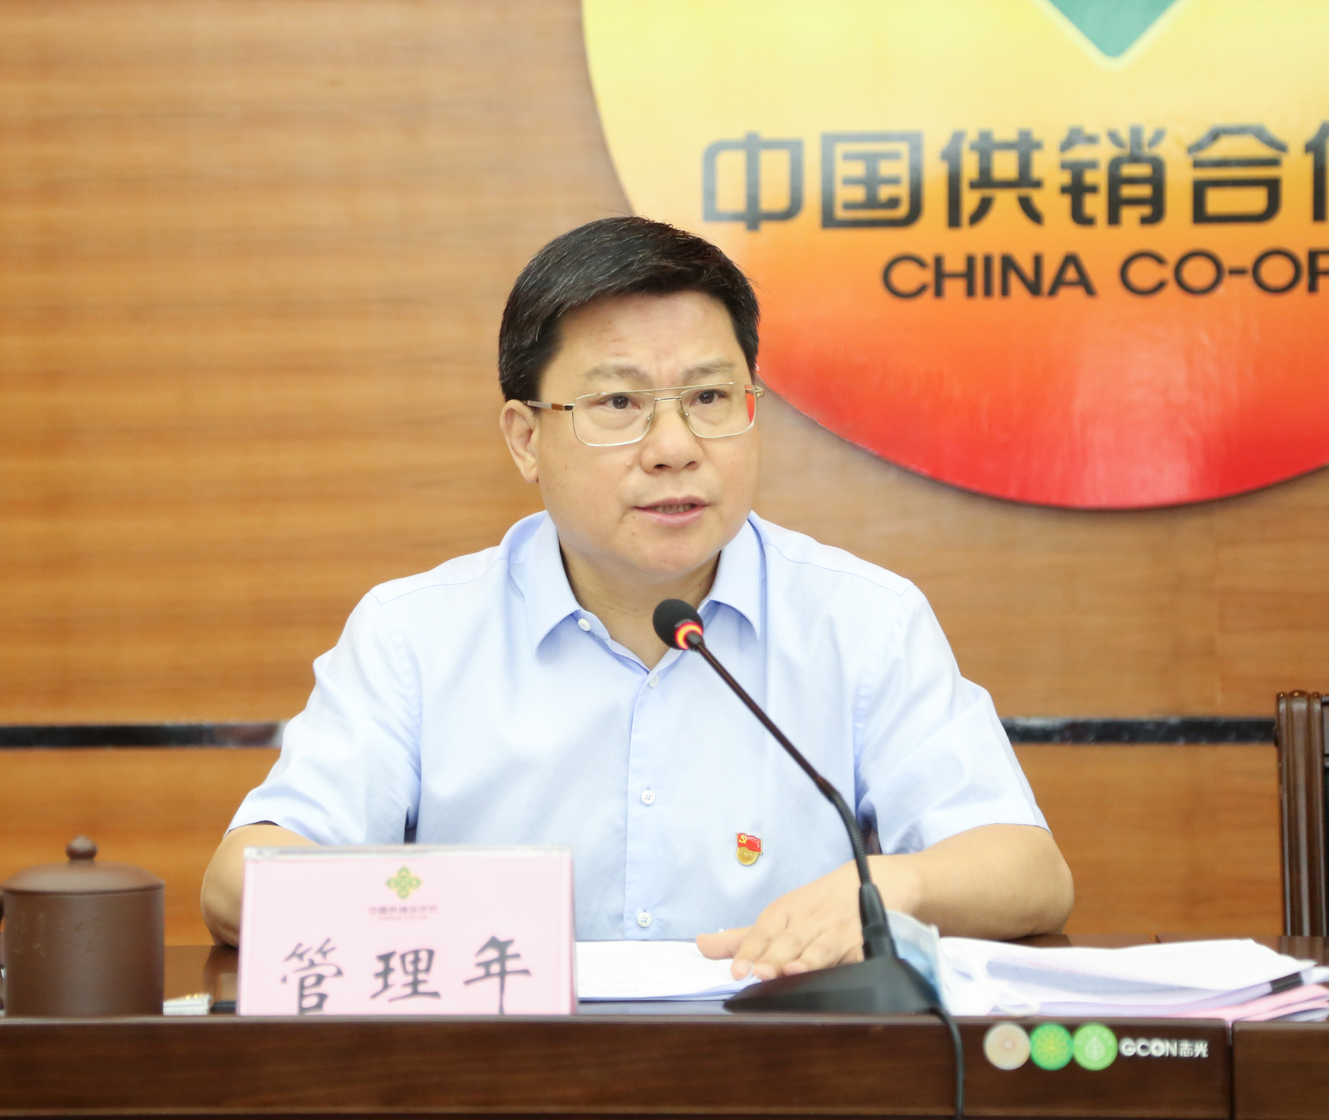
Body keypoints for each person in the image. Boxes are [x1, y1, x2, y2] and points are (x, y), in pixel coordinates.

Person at [202, 216, 1072, 980]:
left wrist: (887, 886)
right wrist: (444, 910)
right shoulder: (416, 637)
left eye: (709, 397)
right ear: (525, 439)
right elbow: (242, 884)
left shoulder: (861, 621)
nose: (674, 447)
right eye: (619, 402)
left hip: (778, 1075)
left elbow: (1030, 873)